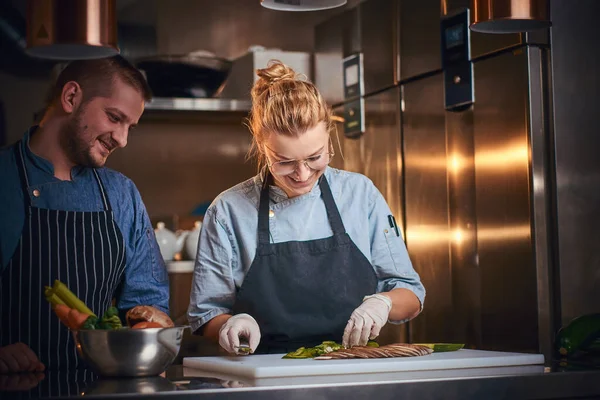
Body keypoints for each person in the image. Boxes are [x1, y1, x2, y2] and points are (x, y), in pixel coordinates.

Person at [187, 60, 425, 355]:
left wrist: (383, 303)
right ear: (261, 147)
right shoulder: (228, 211)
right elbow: (206, 312)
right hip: (262, 372)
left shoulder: (359, 195)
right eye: (285, 161)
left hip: (354, 365)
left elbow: (411, 293)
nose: (302, 174)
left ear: (329, 138)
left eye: (315, 157)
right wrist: (230, 323)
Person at [0, 56, 170, 374]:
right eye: (114, 117)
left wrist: (147, 339)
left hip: (103, 387)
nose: (122, 139)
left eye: (129, 127)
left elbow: (147, 301)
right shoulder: (4, 179)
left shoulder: (122, 194)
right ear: (71, 97)